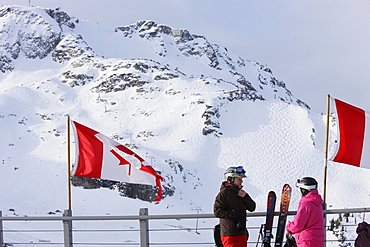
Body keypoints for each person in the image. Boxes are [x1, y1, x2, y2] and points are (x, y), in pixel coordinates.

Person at [214, 166, 256, 247]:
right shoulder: (224, 193)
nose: (241, 181)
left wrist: (245, 197)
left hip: (242, 233)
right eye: (239, 179)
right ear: (231, 179)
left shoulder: (240, 193)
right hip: (230, 234)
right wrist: (234, 213)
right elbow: (217, 211)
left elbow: (252, 207)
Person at [286, 177, 325, 247]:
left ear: (304, 190)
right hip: (317, 240)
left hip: (306, 241)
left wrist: (289, 227)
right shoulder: (317, 203)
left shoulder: (306, 204)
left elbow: (298, 224)